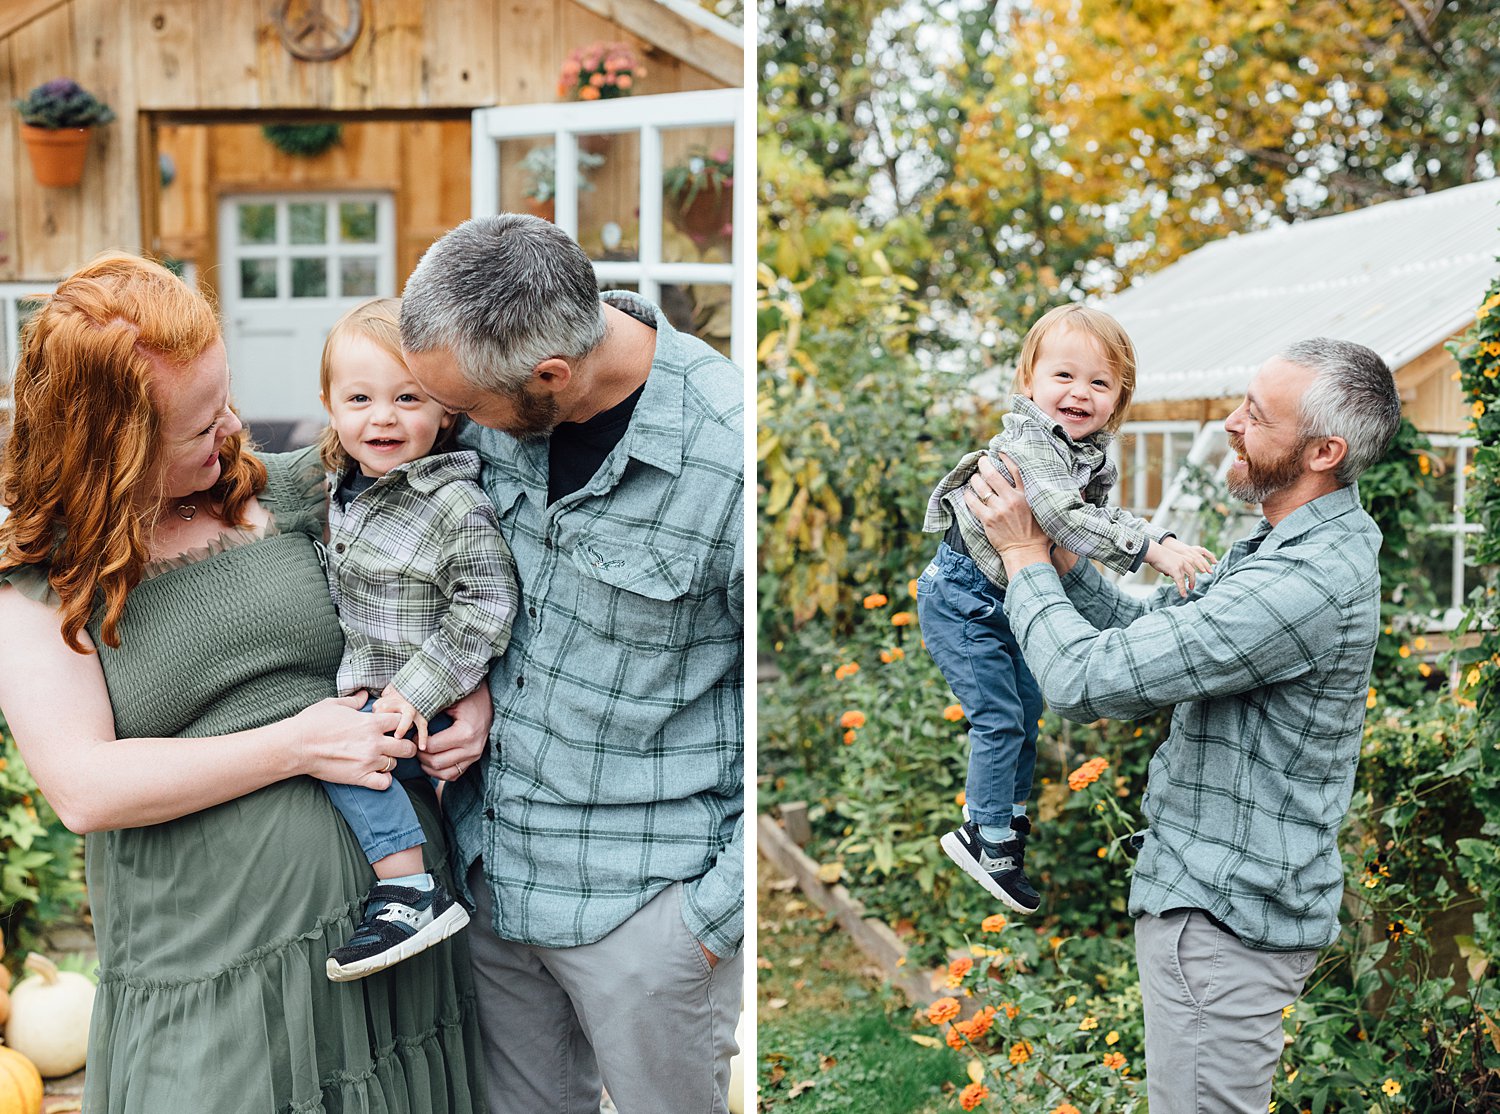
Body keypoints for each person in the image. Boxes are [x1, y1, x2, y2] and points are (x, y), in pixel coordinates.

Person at [0, 253, 488, 1112]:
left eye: (226, 396)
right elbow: (82, 787)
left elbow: (444, 573)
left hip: (391, 938)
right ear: (118, 448)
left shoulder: (301, 492)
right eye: (199, 425)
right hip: (212, 973)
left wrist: (462, 688)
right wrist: (299, 743)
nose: (232, 427)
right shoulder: (41, 582)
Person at [963, 338, 1402, 1114]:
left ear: (1323, 451)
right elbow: (1140, 635)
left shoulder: (1303, 583)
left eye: (1256, 416)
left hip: (1223, 919)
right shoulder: (1280, 546)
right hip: (1217, 905)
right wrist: (1064, 565)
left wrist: (1025, 555)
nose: (1231, 423)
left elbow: (1081, 678)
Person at [399, 214, 744, 1114]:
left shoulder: (730, 456)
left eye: (464, 411)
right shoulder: (496, 401)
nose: (449, 426)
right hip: (490, 877)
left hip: (645, 909)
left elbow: (799, 705)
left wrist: (709, 924)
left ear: (550, 379)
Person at [919, 304, 1214, 913]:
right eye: (1064, 377)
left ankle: (1004, 824)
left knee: (1026, 708)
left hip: (1004, 593)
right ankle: (987, 835)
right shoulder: (1030, 443)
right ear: (1029, 381)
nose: (1080, 393)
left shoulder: (1087, 452)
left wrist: (1156, 537)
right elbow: (1058, 518)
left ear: (1118, 399)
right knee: (999, 716)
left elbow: (1099, 517)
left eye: (1100, 383)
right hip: (962, 596)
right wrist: (1150, 549)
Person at [315, 297, 520, 981]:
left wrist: (418, 688)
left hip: (416, 694)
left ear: (446, 411)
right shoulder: (338, 491)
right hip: (371, 684)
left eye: (409, 397)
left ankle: (407, 890)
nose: (383, 417)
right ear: (331, 404)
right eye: (361, 397)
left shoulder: (452, 502)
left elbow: (488, 600)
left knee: (342, 753)